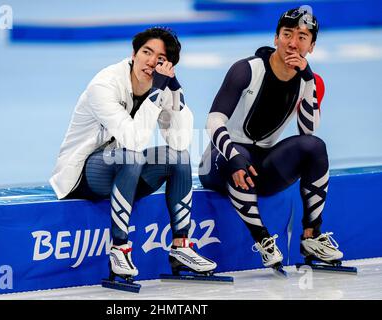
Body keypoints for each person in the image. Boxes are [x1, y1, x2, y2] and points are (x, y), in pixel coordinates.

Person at [50, 27, 217, 281]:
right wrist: (156, 95)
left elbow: (180, 141)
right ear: (134, 53)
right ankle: (119, 249)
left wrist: (174, 92)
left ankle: (181, 247)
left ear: (168, 65)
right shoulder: (104, 85)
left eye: (159, 58)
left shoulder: (160, 87)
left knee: (179, 158)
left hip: (126, 172)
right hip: (83, 175)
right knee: (132, 155)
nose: (150, 61)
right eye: (146, 52)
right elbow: (134, 141)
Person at [199, 7, 343, 269]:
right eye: (287, 34)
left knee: (315, 147)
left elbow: (307, 130)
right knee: (240, 156)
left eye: (302, 37)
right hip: (220, 159)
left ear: (311, 46)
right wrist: (232, 155)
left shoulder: (310, 82)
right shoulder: (246, 69)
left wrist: (308, 80)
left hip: (261, 163)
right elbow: (213, 120)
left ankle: (312, 235)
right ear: (275, 38)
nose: (292, 43)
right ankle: (263, 240)